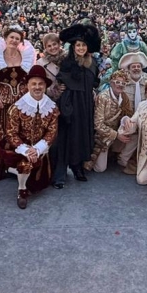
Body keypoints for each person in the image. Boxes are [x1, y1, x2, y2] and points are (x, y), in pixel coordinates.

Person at [0, 25, 36, 168]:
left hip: (23, 101)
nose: (14, 40)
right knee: (3, 132)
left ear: (21, 41)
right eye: (12, 37)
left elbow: (31, 79)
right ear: (5, 38)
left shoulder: (27, 56)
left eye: (17, 38)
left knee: (22, 133)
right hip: (3, 101)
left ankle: (20, 166)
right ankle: (1, 167)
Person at [0, 64, 57, 208]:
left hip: (41, 148)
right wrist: (26, 150)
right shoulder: (17, 108)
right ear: (28, 85)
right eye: (34, 84)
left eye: (40, 84)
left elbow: (52, 131)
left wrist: (37, 149)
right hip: (20, 147)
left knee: (39, 180)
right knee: (26, 164)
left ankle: (19, 173)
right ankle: (21, 190)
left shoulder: (52, 108)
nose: (37, 87)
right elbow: (11, 132)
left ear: (45, 86)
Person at [53, 21, 100, 187]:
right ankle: (61, 172)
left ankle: (78, 166)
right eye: (78, 45)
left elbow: (94, 82)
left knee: (83, 136)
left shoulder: (92, 63)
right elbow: (63, 85)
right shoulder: (67, 63)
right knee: (68, 139)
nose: (81, 48)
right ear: (73, 47)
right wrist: (66, 109)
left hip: (86, 105)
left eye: (83, 45)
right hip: (71, 105)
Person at [90, 70, 135, 173]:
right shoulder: (103, 97)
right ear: (111, 82)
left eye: (123, 83)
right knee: (100, 169)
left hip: (117, 130)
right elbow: (98, 124)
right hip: (103, 136)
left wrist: (126, 119)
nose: (120, 85)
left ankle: (121, 157)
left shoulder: (124, 97)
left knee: (134, 130)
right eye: (117, 82)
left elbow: (129, 114)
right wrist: (116, 135)